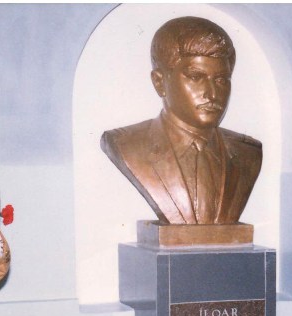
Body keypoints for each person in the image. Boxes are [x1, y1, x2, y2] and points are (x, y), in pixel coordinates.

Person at [101, 16, 263, 225]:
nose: (212, 94)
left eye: (221, 79)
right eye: (196, 77)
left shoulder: (247, 153)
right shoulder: (127, 144)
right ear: (159, 82)